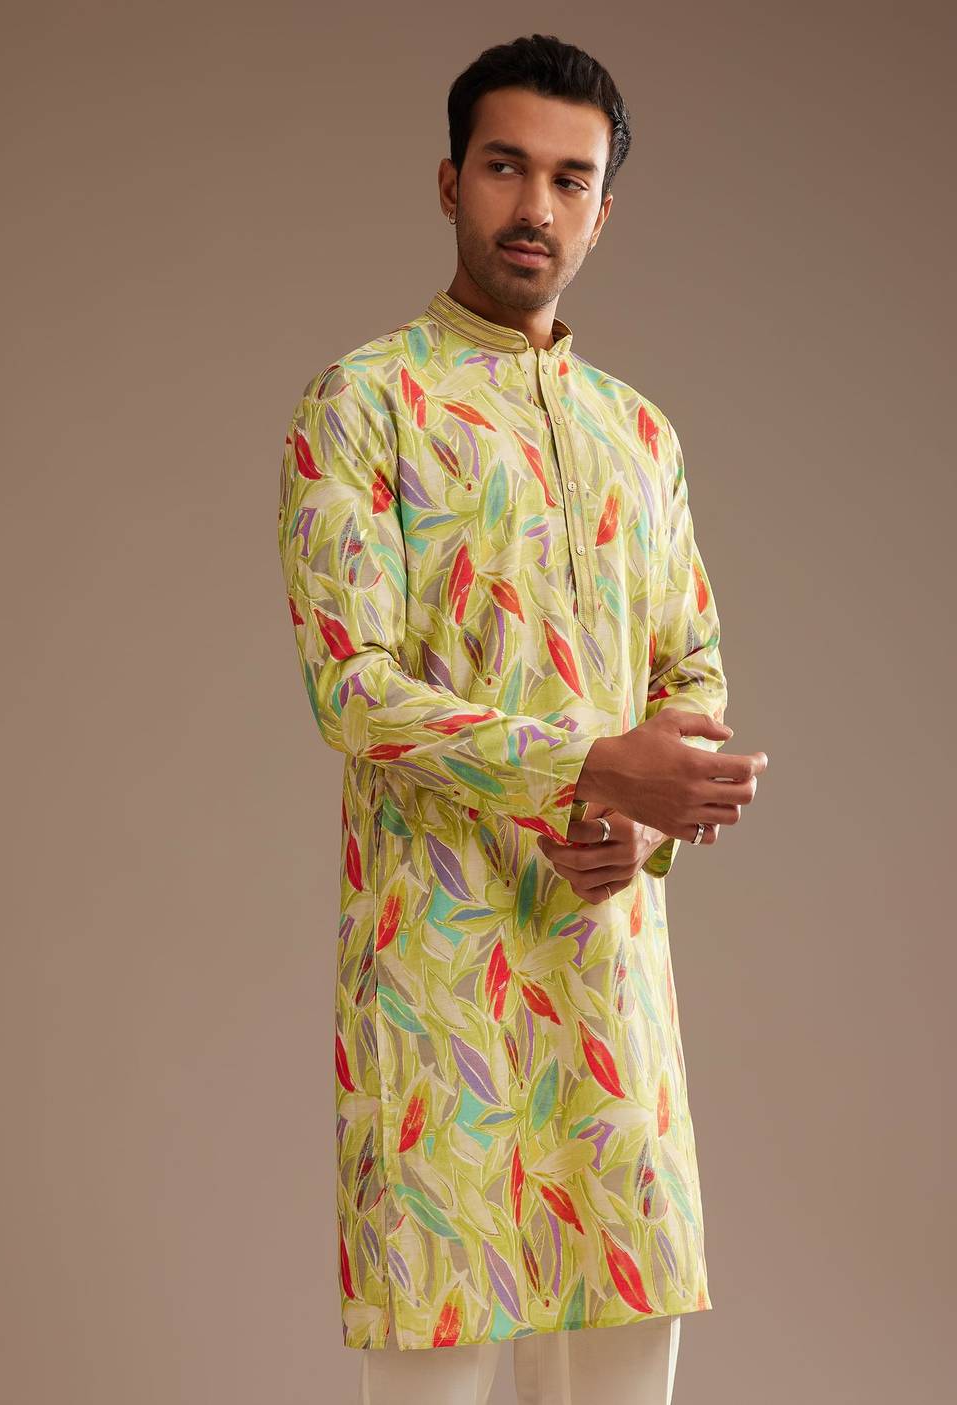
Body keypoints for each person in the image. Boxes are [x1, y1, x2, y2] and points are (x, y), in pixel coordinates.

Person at [277, 31, 768, 1405]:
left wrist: (640, 824)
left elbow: (692, 666)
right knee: (435, 1356)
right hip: (437, 973)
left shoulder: (642, 438)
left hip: (606, 978)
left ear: (604, 210)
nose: (535, 206)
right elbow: (352, 687)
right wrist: (593, 763)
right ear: (449, 182)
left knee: (624, 1366)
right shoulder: (362, 403)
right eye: (505, 167)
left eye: (570, 178)